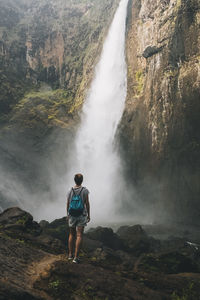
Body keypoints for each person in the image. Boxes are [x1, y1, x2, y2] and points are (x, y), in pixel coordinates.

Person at [66, 173, 90, 263]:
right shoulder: (85, 190)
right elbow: (87, 203)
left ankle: (70, 255)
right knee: (79, 235)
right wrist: (88, 215)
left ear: (74, 180)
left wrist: (67, 214)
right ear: (82, 180)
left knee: (71, 234)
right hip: (81, 215)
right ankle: (76, 258)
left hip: (72, 214)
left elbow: (68, 203)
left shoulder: (70, 190)